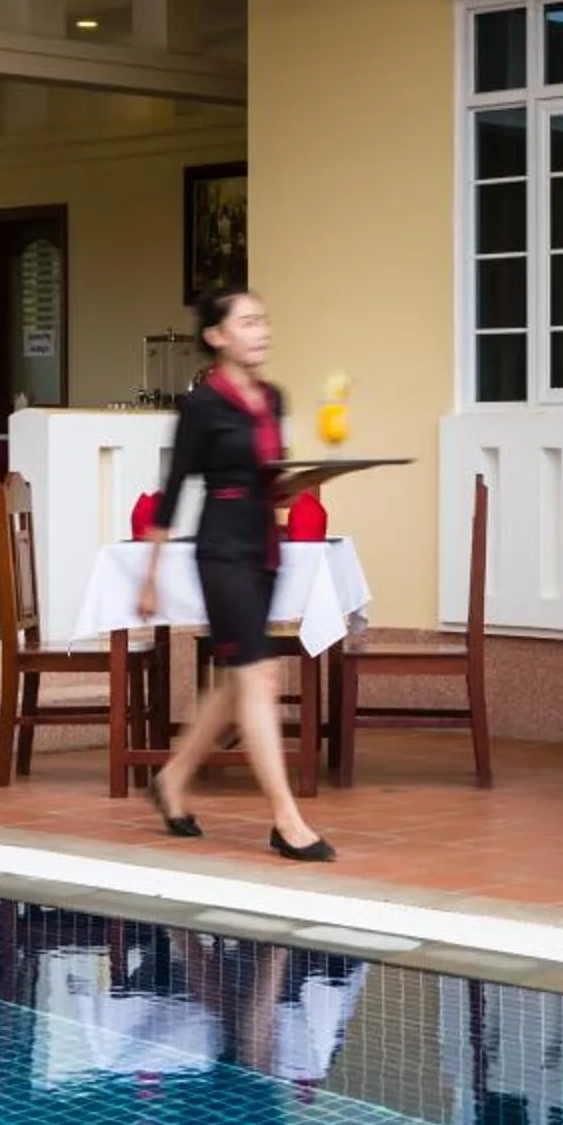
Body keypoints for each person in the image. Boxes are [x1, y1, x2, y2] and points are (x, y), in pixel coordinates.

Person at [135, 287, 335, 862]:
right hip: (220, 551)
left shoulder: (274, 397)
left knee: (233, 683)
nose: (261, 330)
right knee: (260, 678)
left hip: (264, 550)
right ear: (216, 336)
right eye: (247, 322)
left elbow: (266, 478)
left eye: (263, 320)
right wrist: (150, 575)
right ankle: (286, 818)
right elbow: (173, 492)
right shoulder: (202, 406)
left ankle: (171, 781)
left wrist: (311, 479)